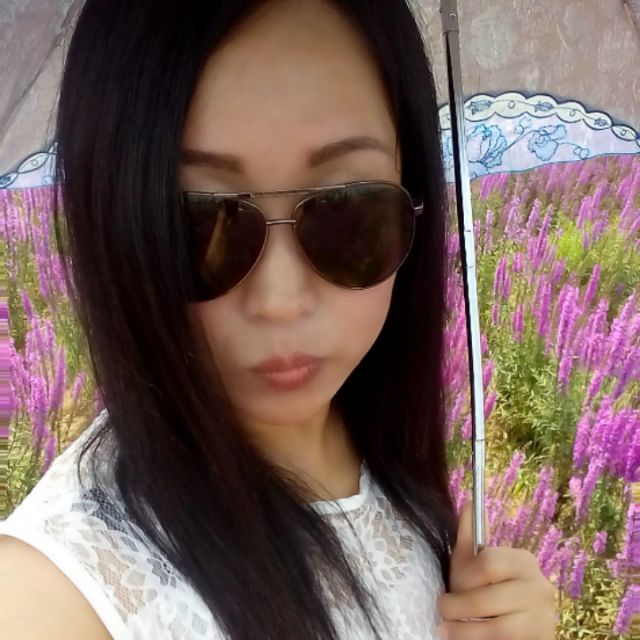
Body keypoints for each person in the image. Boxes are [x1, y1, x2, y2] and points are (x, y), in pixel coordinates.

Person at [0, 1, 557, 639]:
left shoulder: (382, 455)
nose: (280, 300)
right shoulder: (53, 598)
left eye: (347, 209)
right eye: (197, 223)